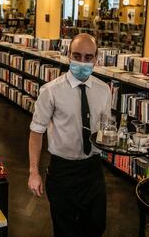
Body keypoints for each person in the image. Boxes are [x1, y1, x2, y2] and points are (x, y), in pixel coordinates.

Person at [28, 33, 112, 237]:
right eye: (77, 56)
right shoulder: (51, 91)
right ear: (68, 55)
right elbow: (36, 132)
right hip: (62, 170)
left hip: (92, 169)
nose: (82, 62)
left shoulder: (104, 90)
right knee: (65, 230)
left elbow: (105, 127)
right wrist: (34, 172)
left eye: (88, 57)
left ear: (96, 58)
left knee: (96, 227)